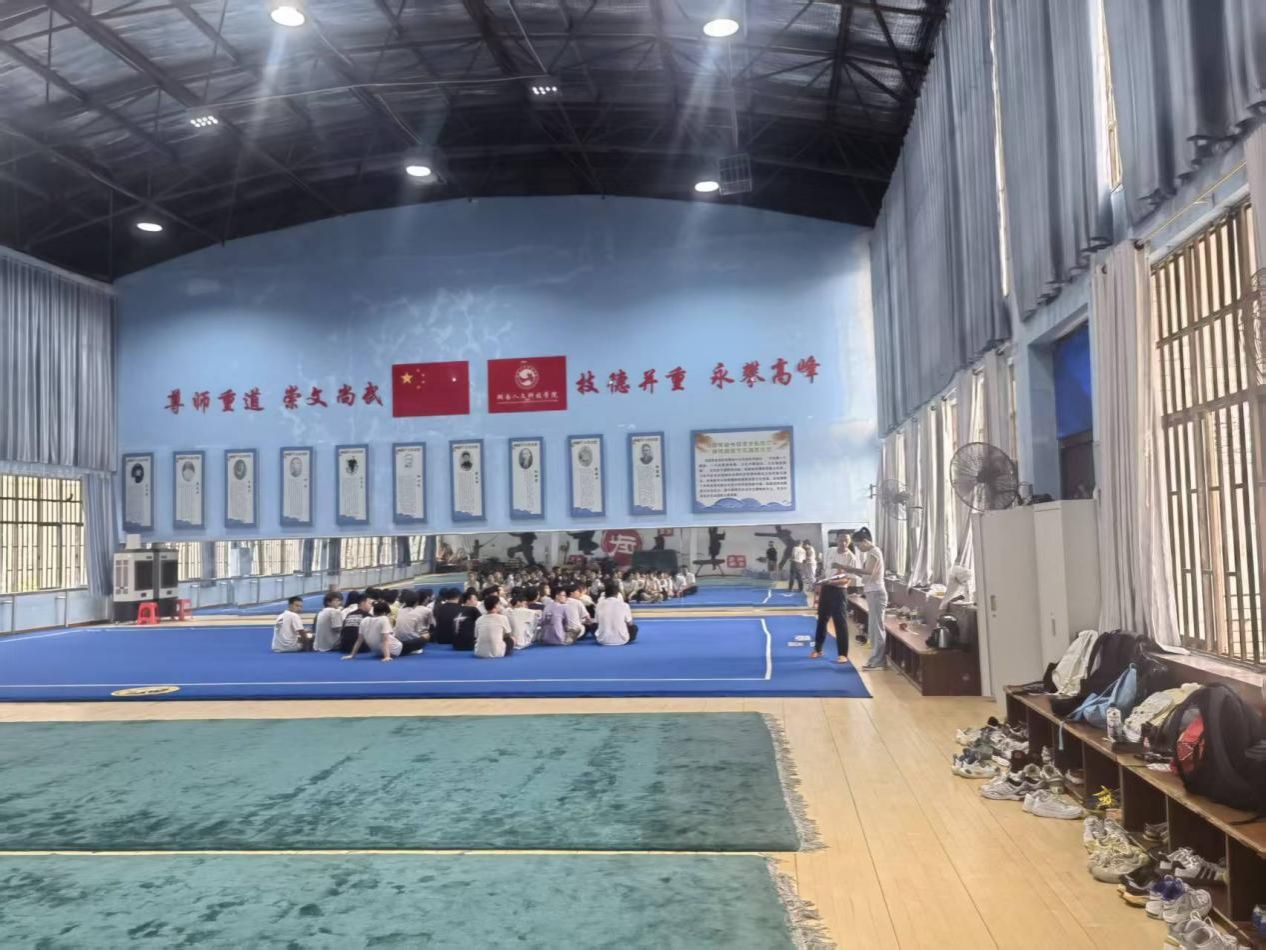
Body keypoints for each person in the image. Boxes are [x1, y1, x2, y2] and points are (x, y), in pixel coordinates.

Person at [838, 528, 888, 670]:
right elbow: (866, 576)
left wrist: (849, 568)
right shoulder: (871, 553)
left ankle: (879, 661)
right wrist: (849, 570)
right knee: (873, 628)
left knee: (877, 628)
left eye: (858, 545)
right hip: (872, 592)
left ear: (865, 541)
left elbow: (869, 572)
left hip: (876, 593)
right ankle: (876, 659)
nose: (858, 548)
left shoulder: (874, 551)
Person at [811, 536, 854, 663]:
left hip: (839, 591)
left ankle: (842, 654)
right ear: (837, 540)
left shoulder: (851, 557)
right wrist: (820, 580)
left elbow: (847, 580)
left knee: (840, 622)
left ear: (849, 542)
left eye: (846, 541)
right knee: (822, 619)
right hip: (826, 589)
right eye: (841, 540)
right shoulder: (830, 551)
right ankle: (818, 649)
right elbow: (826, 571)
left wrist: (831, 581)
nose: (843, 543)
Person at [344, 600, 424, 661]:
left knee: (406, 642)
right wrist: (387, 656)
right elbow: (384, 640)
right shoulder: (383, 619)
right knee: (423, 638)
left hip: (377, 651)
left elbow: (359, 640)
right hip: (395, 649)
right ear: (385, 613)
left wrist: (352, 655)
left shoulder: (364, 620)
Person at [595, 581, 638, 646]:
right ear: (617, 594)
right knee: (634, 627)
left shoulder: (599, 605)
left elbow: (597, 622)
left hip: (602, 640)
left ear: (605, 594)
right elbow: (630, 623)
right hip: (622, 640)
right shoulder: (624, 605)